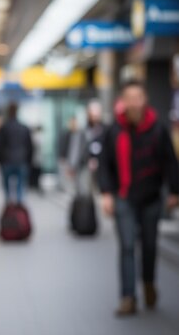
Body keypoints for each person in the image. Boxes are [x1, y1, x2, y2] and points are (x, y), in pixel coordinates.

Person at [98, 80, 179, 316]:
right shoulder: (114, 130)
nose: (133, 103)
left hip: (151, 197)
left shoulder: (158, 129)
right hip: (124, 197)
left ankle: (148, 283)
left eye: (137, 97)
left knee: (150, 246)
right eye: (129, 98)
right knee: (126, 246)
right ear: (122, 102)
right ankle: (127, 297)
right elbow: (105, 164)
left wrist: (174, 190)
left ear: (145, 100)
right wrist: (106, 193)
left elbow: (169, 161)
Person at [0, 102, 33, 204]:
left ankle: (9, 208)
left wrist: (0, 161)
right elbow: (30, 146)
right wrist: (28, 161)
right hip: (21, 161)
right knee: (20, 188)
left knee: (7, 190)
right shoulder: (24, 128)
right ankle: (18, 209)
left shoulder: (4, 128)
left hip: (7, 161)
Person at [68, 101, 106, 195]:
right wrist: (72, 166)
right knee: (85, 192)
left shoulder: (105, 130)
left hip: (102, 168)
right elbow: (76, 149)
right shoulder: (83, 131)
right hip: (85, 167)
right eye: (92, 114)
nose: (95, 117)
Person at [58, 117, 78, 192]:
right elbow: (62, 146)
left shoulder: (78, 134)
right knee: (66, 177)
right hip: (66, 158)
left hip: (74, 159)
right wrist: (62, 156)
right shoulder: (66, 134)